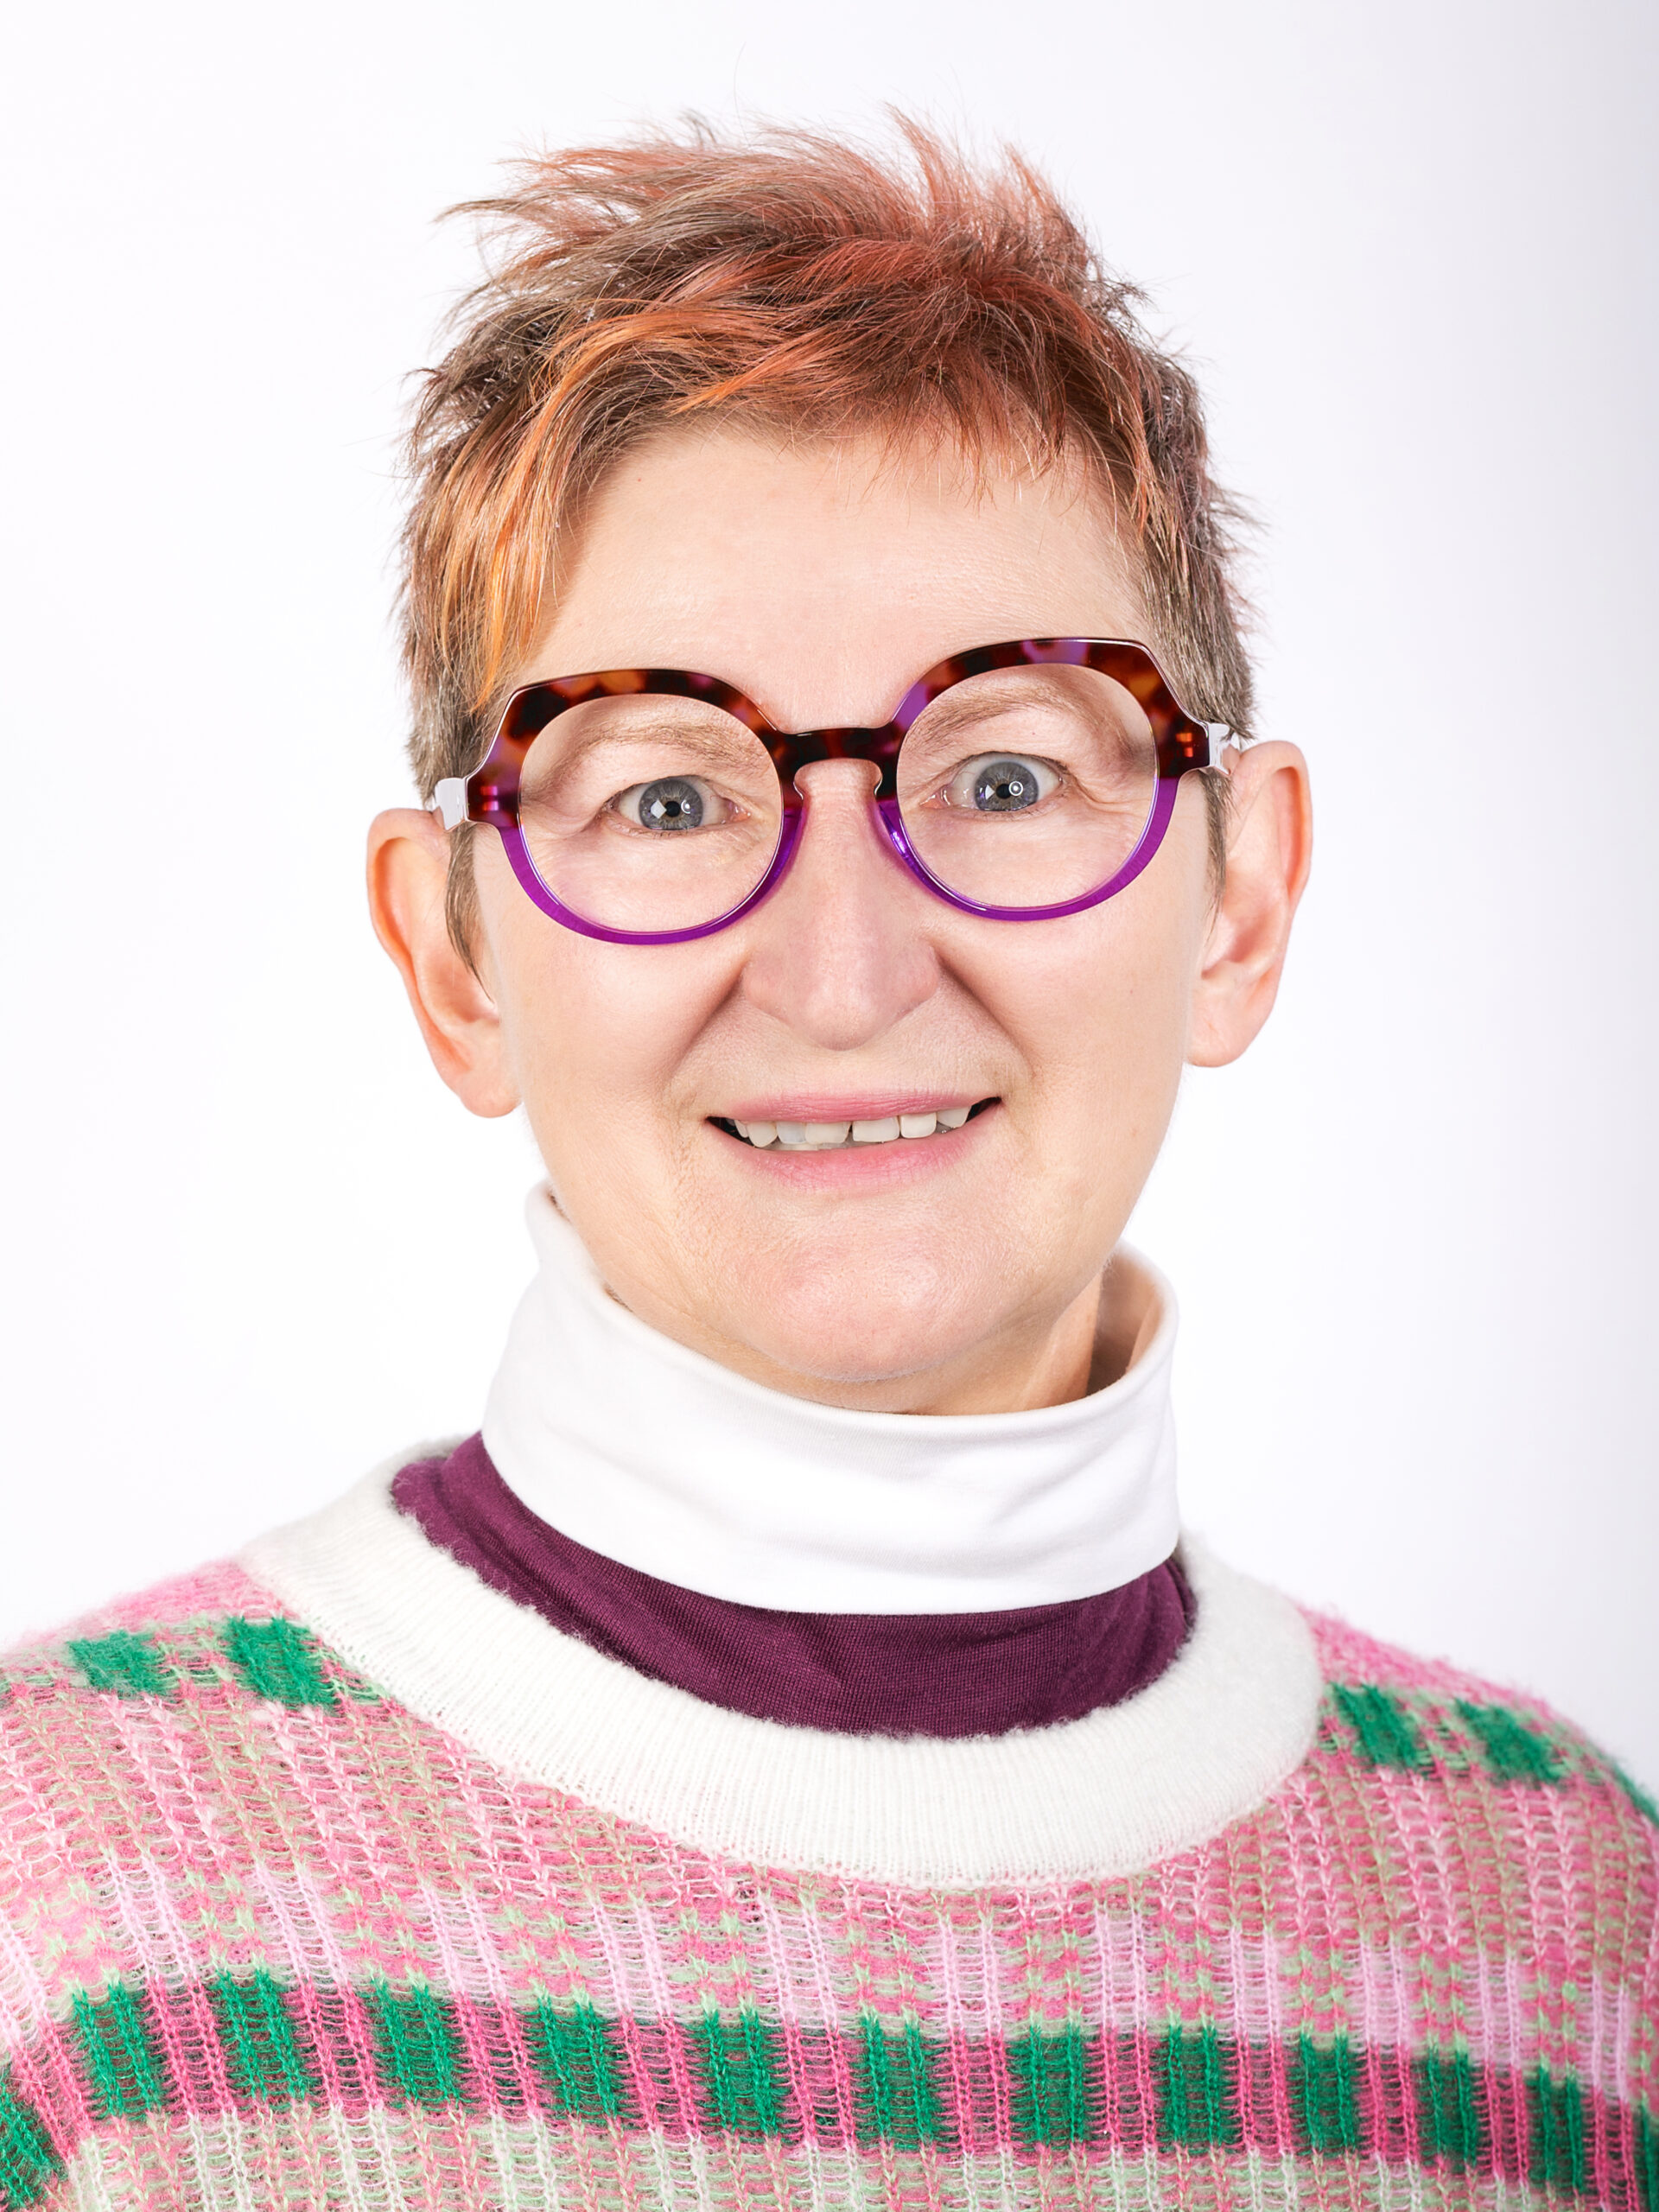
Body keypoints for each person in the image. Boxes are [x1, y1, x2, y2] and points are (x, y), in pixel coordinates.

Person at [1, 124, 1650, 2212]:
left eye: (1006, 773)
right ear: (453, 954)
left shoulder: (1570, 1933)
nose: (851, 970)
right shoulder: (60, 1912)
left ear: (1239, 903)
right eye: (672, 797)